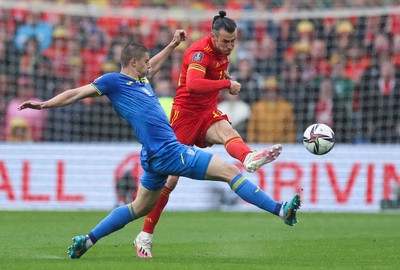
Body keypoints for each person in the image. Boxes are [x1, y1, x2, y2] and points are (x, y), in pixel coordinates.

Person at [17, 29, 301, 259]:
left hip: (152, 155)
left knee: (138, 207)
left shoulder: (141, 80)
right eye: (144, 62)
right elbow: (76, 93)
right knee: (230, 172)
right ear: (132, 63)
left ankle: (88, 240)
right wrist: (44, 105)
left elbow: (155, 64)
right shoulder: (114, 82)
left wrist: (172, 45)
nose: (149, 65)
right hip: (168, 152)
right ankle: (280, 210)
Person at [134, 11, 284, 258]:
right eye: (225, 41)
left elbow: (212, 78)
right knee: (169, 180)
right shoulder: (199, 52)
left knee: (228, 131)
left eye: (234, 41)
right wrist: (226, 84)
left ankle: (248, 158)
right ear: (213, 36)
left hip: (207, 112)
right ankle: (145, 236)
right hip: (185, 116)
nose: (230, 46)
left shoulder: (222, 53)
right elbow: (193, 84)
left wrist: (225, 79)